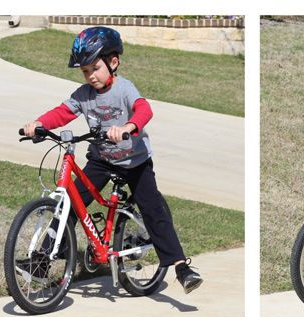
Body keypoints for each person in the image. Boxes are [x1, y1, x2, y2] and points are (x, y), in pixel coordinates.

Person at [19, 26, 202, 294]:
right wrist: (38, 123)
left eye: (95, 68)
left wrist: (127, 127)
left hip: (134, 162)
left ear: (113, 62)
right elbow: (62, 113)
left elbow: (144, 109)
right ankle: (42, 261)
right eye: (84, 71)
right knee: (69, 204)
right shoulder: (83, 95)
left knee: (152, 209)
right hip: (101, 160)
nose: (90, 76)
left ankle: (181, 267)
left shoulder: (124, 89)